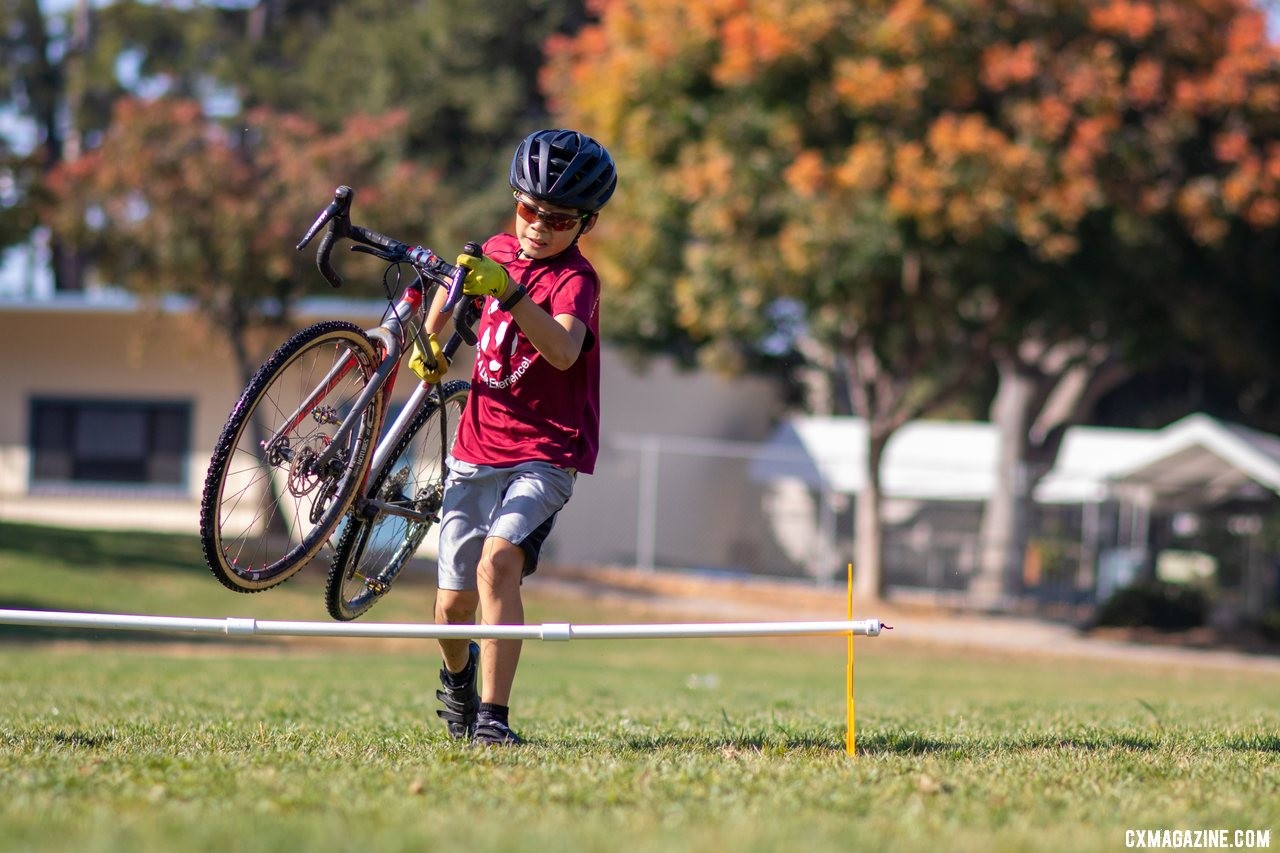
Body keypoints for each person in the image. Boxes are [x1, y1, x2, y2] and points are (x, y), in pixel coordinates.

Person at [409, 129, 617, 746]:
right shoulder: (494, 249)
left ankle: (494, 721)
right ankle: (458, 682)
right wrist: (431, 344)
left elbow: (560, 349)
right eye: (529, 209)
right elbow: (449, 300)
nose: (538, 228)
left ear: (585, 224)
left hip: (546, 452)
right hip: (476, 449)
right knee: (450, 609)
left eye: (557, 219)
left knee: (499, 564)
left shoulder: (576, 281)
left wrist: (510, 290)